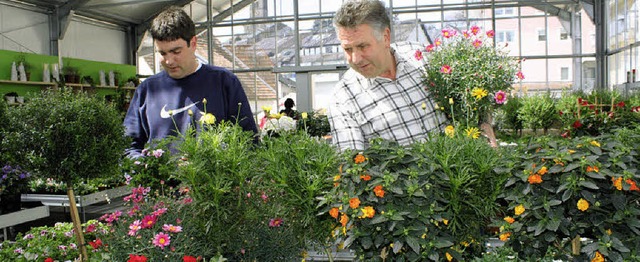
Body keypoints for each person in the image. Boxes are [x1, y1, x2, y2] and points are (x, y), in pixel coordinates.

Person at [123, 6, 258, 158]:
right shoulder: (147, 90)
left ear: (193, 43)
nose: (169, 61)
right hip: (160, 181)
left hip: (212, 180)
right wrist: (146, 167)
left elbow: (249, 141)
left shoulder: (224, 82)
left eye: (176, 52)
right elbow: (128, 147)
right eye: (162, 53)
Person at [327, 0, 448, 151]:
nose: (356, 58)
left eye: (362, 46)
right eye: (348, 49)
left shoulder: (422, 57)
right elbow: (351, 162)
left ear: (385, 37)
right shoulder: (343, 98)